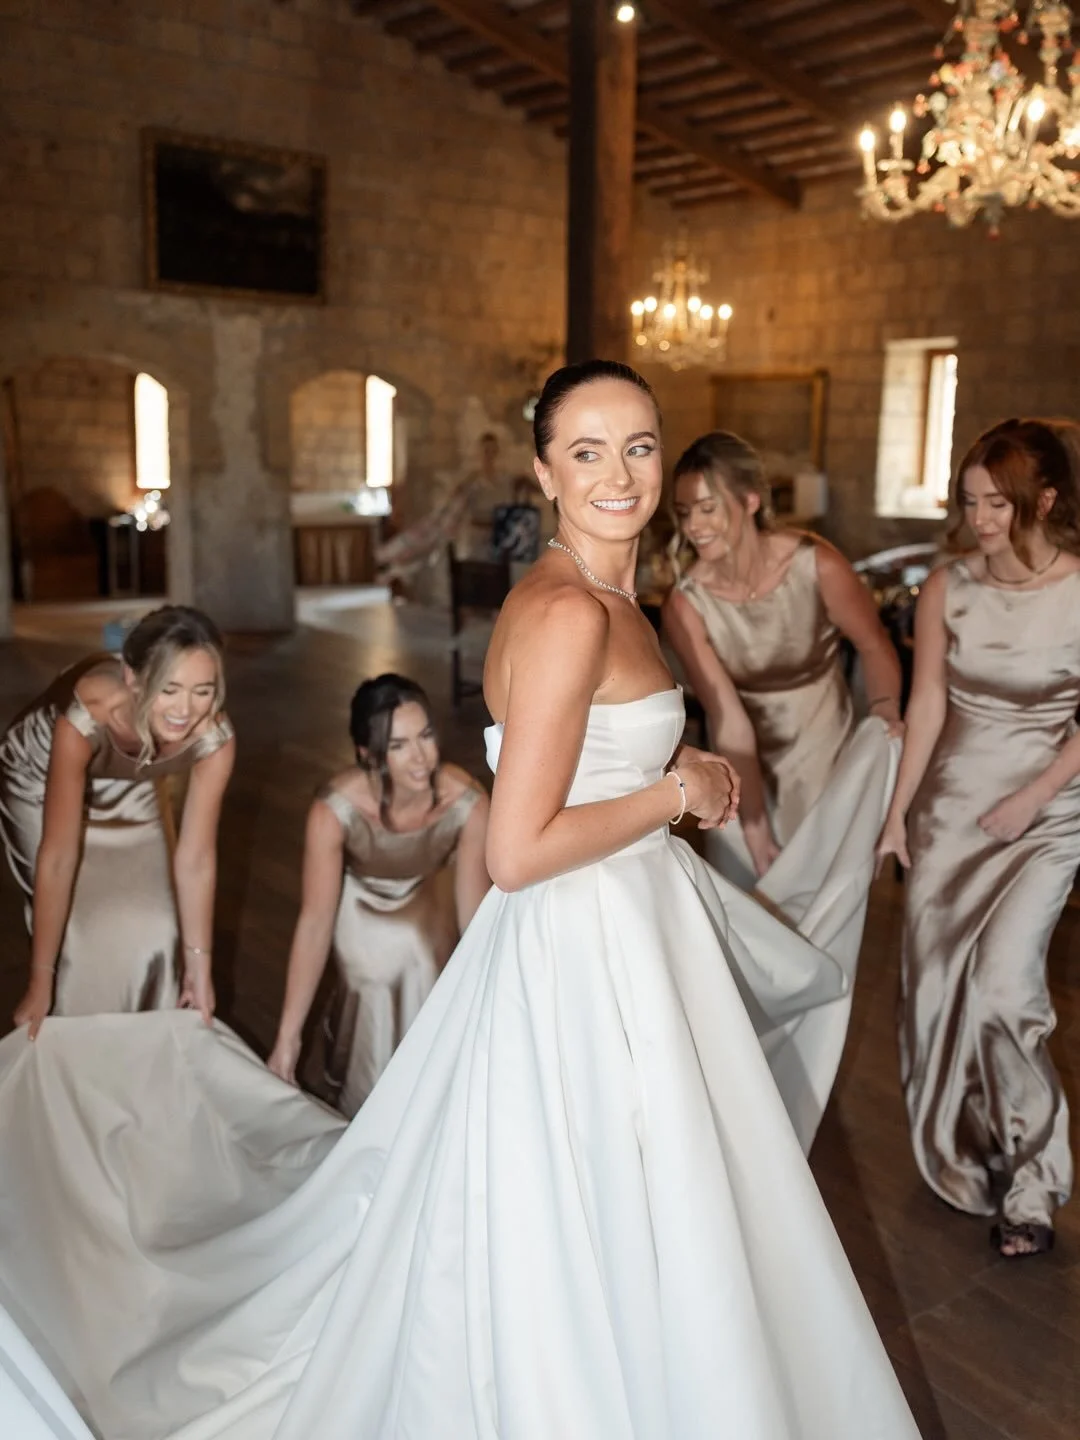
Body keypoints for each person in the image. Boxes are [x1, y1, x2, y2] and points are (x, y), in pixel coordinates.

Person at [0, 363, 920, 1439]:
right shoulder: (572, 611)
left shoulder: (613, 596)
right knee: (617, 1192)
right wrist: (682, 788)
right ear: (543, 470)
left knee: (622, 1193)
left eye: (638, 445)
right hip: (589, 934)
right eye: (586, 451)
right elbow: (522, 849)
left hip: (614, 926)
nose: (619, 473)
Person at [877, 417, 1080, 1260]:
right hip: (952, 807)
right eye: (970, 501)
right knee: (933, 993)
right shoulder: (947, 586)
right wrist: (897, 810)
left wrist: (1033, 798)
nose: (981, 518)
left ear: (1045, 500)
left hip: (1048, 812)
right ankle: (965, 1154)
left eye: (998, 503)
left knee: (1004, 990)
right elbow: (926, 706)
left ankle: (1032, 1183)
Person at [664, 431, 903, 881]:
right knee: (744, 909)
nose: (694, 525)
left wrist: (885, 713)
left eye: (707, 508)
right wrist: (754, 829)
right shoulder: (686, 604)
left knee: (823, 901)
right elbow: (727, 718)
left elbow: (874, 644)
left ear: (751, 500)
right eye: (684, 512)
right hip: (739, 767)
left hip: (824, 755)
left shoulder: (818, 565)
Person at [0, 605, 234, 1033]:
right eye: (170, 689)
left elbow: (196, 860)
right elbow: (57, 858)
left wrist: (200, 968)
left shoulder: (213, 737)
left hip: (135, 773)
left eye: (203, 690)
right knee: (79, 934)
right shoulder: (87, 716)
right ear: (133, 677)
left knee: (158, 928)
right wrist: (40, 981)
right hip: (38, 774)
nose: (186, 709)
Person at [267, 674, 490, 1115]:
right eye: (399, 745)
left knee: (421, 955)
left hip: (433, 901)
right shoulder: (334, 812)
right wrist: (287, 1040)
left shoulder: (467, 804)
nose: (421, 757)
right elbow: (314, 924)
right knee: (375, 971)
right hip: (360, 906)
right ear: (367, 755)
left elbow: (476, 923)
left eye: (425, 735)